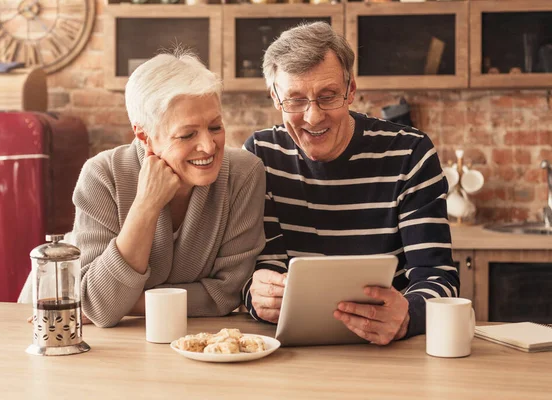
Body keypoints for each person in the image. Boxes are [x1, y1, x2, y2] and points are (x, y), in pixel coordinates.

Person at [243, 22, 459, 344]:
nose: (313, 117)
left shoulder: (409, 152)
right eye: (296, 100)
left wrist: (409, 314)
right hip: (287, 350)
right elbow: (258, 268)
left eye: (328, 97)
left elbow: (439, 278)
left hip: (388, 348)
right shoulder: (261, 155)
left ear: (351, 91)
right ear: (276, 98)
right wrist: (255, 294)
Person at [71, 51, 266, 327]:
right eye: (187, 134)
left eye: (215, 127)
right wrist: (146, 206)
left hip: (193, 338)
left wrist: (125, 303)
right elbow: (97, 303)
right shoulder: (102, 175)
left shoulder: (244, 174)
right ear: (144, 136)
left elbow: (227, 294)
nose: (209, 146)